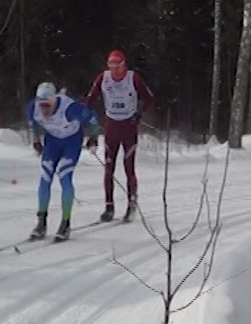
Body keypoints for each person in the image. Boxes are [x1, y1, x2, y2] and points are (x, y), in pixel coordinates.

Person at [83, 49, 156, 222]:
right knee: (109, 168)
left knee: (128, 166)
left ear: (124, 65)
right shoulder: (103, 78)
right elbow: (89, 102)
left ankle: (131, 204)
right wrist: (91, 131)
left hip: (129, 127)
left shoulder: (133, 78)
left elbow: (150, 98)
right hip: (111, 127)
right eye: (111, 65)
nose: (115, 69)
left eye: (118, 65)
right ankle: (109, 207)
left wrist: (139, 113)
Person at [26, 81, 101, 241]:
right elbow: (34, 125)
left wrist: (93, 138)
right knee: (45, 177)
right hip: (53, 141)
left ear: (54, 101)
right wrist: (36, 141)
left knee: (64, 176)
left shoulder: (70, 109)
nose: (44, 109)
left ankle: (65, 223)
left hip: (71, 142)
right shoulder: (33, 107)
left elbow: (93, 118)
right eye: (41, 105)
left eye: (47, 105)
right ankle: (41, 223)